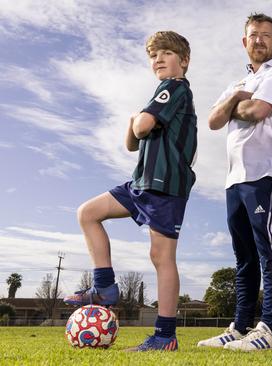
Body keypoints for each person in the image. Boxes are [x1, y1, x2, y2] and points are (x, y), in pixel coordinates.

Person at [63, 31, 197, 352]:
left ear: (184, 61)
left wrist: (138, 119)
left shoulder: (174, 88)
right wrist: (136, 121)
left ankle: (165, 336)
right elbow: (131, 142)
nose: (159, 59)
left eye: (166, 53)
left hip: (165, 186)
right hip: (141, 183)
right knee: (88, 213)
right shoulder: (161, 94)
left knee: (161, 257)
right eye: (154, 55)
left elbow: (141, 127)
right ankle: (105, 288)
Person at [197, 13, 272, 352]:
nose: (259, 40)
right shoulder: (237, 83)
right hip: (234, 177)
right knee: (244, 257)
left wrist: (236, 104)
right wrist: (237, 97)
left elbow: (258, 110)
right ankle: (240, 327)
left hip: (267, 172)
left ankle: (270, 329)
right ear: (244, 41)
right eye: (253, 35)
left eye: (266, 35)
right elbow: (213, 120)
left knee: (269, 248)